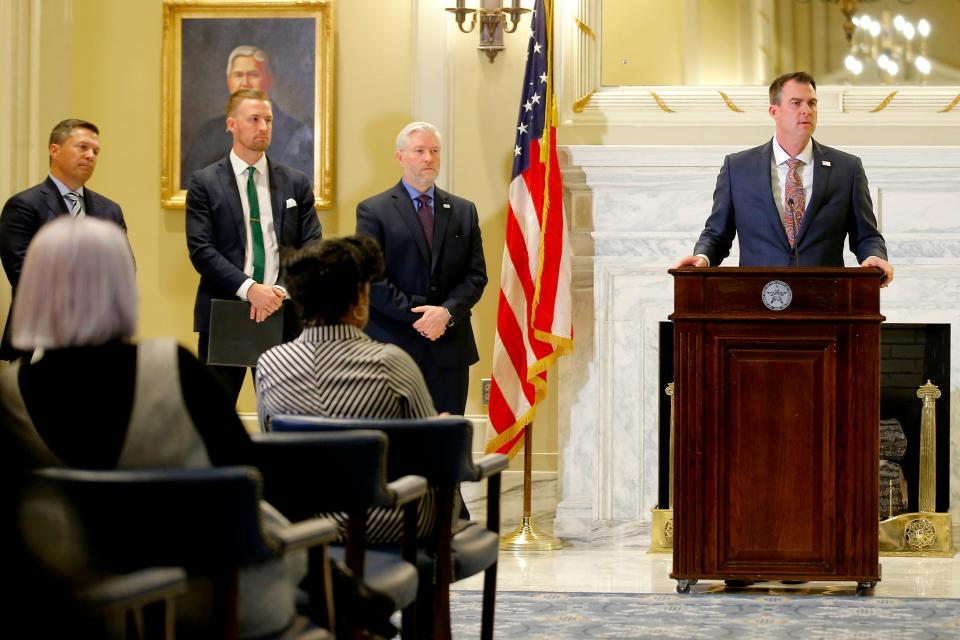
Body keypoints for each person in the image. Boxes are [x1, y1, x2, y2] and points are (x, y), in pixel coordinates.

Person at [0, 216, 306, 639]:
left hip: (86, 609)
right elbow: (252, 484)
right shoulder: (174, 369)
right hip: (215, 604)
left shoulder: (8, 393)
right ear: (122, 286)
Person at [675, 71, 894, 287]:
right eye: (796, 103)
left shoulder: (847, 168)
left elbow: (867, 236)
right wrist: (702, 257)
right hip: (756, 299)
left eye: (812, 103)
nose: (806, 111)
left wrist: (874, 257)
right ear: (774, 111)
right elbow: (717, 234)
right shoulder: (738, 168)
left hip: (825, 301)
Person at [186, 88, 321, 404]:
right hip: (225, 310)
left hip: (284, 313)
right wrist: (250, 289)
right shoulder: (205, 182)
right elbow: (202, 250)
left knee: (287, 411)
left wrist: (278, 291)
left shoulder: (295, 183)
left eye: (268, 120)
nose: (263, 127)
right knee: (215, 415)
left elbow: (312, 246)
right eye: (254, 119)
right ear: (231, 124)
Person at [356, 122, 488, 415]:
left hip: (450, 345)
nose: (428, 158)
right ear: (400, 157)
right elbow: (372, 280)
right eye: (419, 151)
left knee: (445, 444)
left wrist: (445, 313)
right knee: (396, 445)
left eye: (434, 151)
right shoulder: (373, 211)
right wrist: (421, 316)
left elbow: (476, 276)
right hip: (394, 345)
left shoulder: (464, 211)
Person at [0, 118, 127, 360]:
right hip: (39, 338)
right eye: (82, 147)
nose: (91, 156)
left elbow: (124, 268)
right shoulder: (24, 206)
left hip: (100, 340)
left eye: (96, 151)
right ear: (54, 151)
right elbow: (23, 273)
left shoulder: (109, 210)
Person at [181, 45, 313, 187]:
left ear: (269, 80)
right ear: (228, 81)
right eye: (238, 75)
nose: (245, 83)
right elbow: (189, 183)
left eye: (253, 74)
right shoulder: (208, 132)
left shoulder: (295, 132)